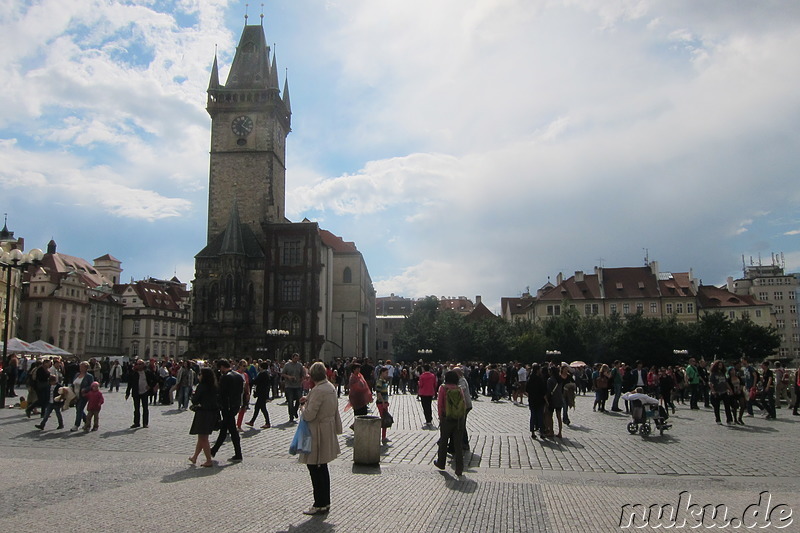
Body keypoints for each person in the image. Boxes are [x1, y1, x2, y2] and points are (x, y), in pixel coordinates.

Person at [298, 361, 343, 515]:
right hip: (327, 429)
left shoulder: (318, 390)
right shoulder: (329, 387)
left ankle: (319, 503)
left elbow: (310, 415)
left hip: (317, 432)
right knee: (322, 467)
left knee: (315, 467)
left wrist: (303, 407)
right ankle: (325, 502)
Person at [433, 370, 466, 476]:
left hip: (446, 418)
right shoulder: (459, 388)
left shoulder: (443, 388)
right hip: (458, 419)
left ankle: (441, 463)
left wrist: (440, 416)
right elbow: (463, 403)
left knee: (443, 441)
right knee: (458, 444)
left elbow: (440, 404)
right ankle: (459, 468)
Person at [210, 359, 244, 462]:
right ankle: (214, 450)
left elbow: (222, 393)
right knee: (227, 429)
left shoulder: (226, 377)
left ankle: (237, 454)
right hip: (235, 406)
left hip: (227, 407)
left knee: (229, 430)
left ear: (222, 367)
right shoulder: (238, 376)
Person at [188, 367, 219, 468]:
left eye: (200, 374)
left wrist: (193, 395)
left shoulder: (201, 386)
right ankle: (195, 457)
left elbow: (195, 400)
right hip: (212, 413)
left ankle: (209, 460)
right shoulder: (214, 386)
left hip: (203, 413)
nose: (199, 376)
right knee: (201, 437)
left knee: (203, 438)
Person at [125, 359, 157, 429]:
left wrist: (150, 386)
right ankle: (136, 423)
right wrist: (127, 393)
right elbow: (129, 384)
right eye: (138, 364)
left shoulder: (147, 372)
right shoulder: (133, 373)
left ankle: (145, 423)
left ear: (143, 365)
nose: (139, 365)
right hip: (136, 392)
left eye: (140, 364)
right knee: (136, 408)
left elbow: (155, 379)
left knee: (145, 408)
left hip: (144, 392)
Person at [246, 361, 272, 429]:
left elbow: (256, 381)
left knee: (262, 408)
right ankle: (252, 421)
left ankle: (267, 423)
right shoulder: (266, 374)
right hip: (263, 394)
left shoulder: (262, 374)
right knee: (258, 408)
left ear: (262, 367)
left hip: (262, 394)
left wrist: (250, 382)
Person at [282, 353, 306, 424]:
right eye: (295, 358)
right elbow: (283, 374)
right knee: (290, 401)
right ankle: (291, 416)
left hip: (298, 386)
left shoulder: (299, 365)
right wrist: (289, 377)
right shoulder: (287, 365)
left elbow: (303, 374)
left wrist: (302, 379)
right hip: (289, 386)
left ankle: (295, 411)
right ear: (292, 358)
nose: (296, 360)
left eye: (297, 358)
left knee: (300, 400)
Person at [71, 362, 94, 431]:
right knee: (79, 409)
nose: (80, 368)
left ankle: (76, 425)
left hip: (83, 395)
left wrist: (85, 389)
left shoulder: (89, 376)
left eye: (82, 367)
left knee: (79, 409)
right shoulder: (77, 374)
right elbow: (73, 383)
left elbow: (91, 386)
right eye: (80, 366)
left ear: (86, 368)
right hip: (75, 395)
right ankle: (87, 422)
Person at [708, 360, 733, 425]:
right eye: (719, 365)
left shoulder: (722, 374)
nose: (720, 366)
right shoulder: (713, 374)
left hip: (724, 391)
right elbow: (710, 383)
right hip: (717, 392)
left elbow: (725, 382)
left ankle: (729, 420)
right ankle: (718, 419)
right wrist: (713, 391)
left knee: (727, 406)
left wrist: (730, 389)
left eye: (721, 365)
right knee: (717, 407)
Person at [526, 364, 546, 439]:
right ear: (537, 370)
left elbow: (527, 389)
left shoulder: (530, 378)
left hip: (532, 400)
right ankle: (541, 432)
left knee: (533, 416)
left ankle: (532, 432)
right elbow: (543, 390)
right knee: (540, 416)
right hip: (540, 400)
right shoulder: (540, 379)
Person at [375, 366, 391, 443]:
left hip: (384, 402)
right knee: (383, 419)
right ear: (382, 373)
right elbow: (378, 392)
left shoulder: (384, 381)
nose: (387, 374)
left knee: (384, 419)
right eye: (386, 373)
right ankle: (382, 437)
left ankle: (384, 436)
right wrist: (383, 402)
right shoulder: (379, 381)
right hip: (381, 403)